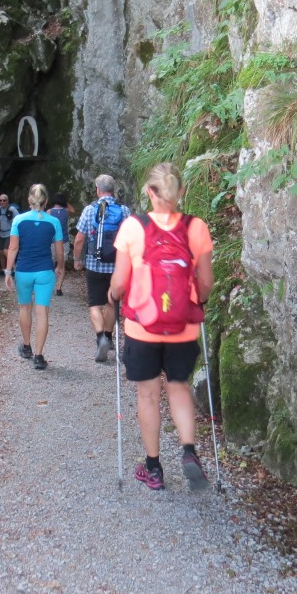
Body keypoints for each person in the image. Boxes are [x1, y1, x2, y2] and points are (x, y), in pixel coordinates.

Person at [108, 162, 214, 491]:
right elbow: (207, 283)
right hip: (182, 326)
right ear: (180, 192)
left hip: (143, 327)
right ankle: (189, 451)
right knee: (179, 385)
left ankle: (153, 468)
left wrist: (113, 295)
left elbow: (120, 283)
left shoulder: (132, 227)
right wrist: (198, 302)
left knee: (148, 395)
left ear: (149, 192)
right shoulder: (197, 228)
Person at [5, 184, 64, 370]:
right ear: (46, 201)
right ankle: (39, 356)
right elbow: (59, 250)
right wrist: (60, 267)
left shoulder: (18, 221)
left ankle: (26, 346)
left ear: (29, 200)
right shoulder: (54, 222)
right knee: (42, 312)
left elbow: (13, 248)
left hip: (23, 270)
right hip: (45, 271)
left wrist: (8, 271)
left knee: (24, 308)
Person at [73, 174, 128, 362]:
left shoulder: (90, 210)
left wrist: (76, 260)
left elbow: (79, 239)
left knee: (95, 304)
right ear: (114, 190)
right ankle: (109, 335)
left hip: (94, 265)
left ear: (98, 190)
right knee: (112, 302)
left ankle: (100, 337)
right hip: (116, 266)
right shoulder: (124, 210)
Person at [48, 193, 76, 296]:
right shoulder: (66, 211)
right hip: (64, 240)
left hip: (52, 241)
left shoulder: (49, 212)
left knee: (50, 265)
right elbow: (73, 210)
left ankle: (50, 287)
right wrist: (66, 202)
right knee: (62, 265)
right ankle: (59, 288)